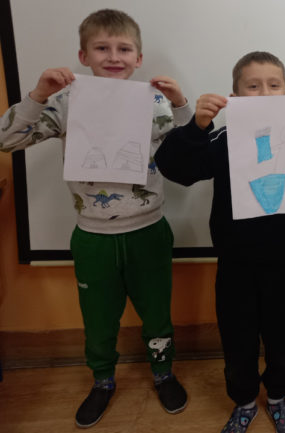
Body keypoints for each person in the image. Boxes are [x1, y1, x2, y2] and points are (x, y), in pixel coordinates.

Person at [0, 9, 192, 428]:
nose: (114, 56)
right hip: (93, 237)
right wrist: (38, 94)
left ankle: (163, 371)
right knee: (98, 319)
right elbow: (6, 138)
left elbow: (191, 151)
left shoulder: (154, 102)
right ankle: (102, 379)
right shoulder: (66, 102)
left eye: (124, 49)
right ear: (83, 56)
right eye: (102, 48)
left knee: (157, 313)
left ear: (138, 58)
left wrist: (180, 105)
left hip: (148, 231)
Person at [154, 51, 285, 433]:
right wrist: (197, 126)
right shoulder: (223, 139)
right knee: (238, 342)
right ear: (235, 96)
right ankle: (244, 400)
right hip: (236, 266)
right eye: (253, 86)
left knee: (283, 340)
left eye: (273, 85)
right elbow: (176, 169)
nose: (264, 92)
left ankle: (278, 396)